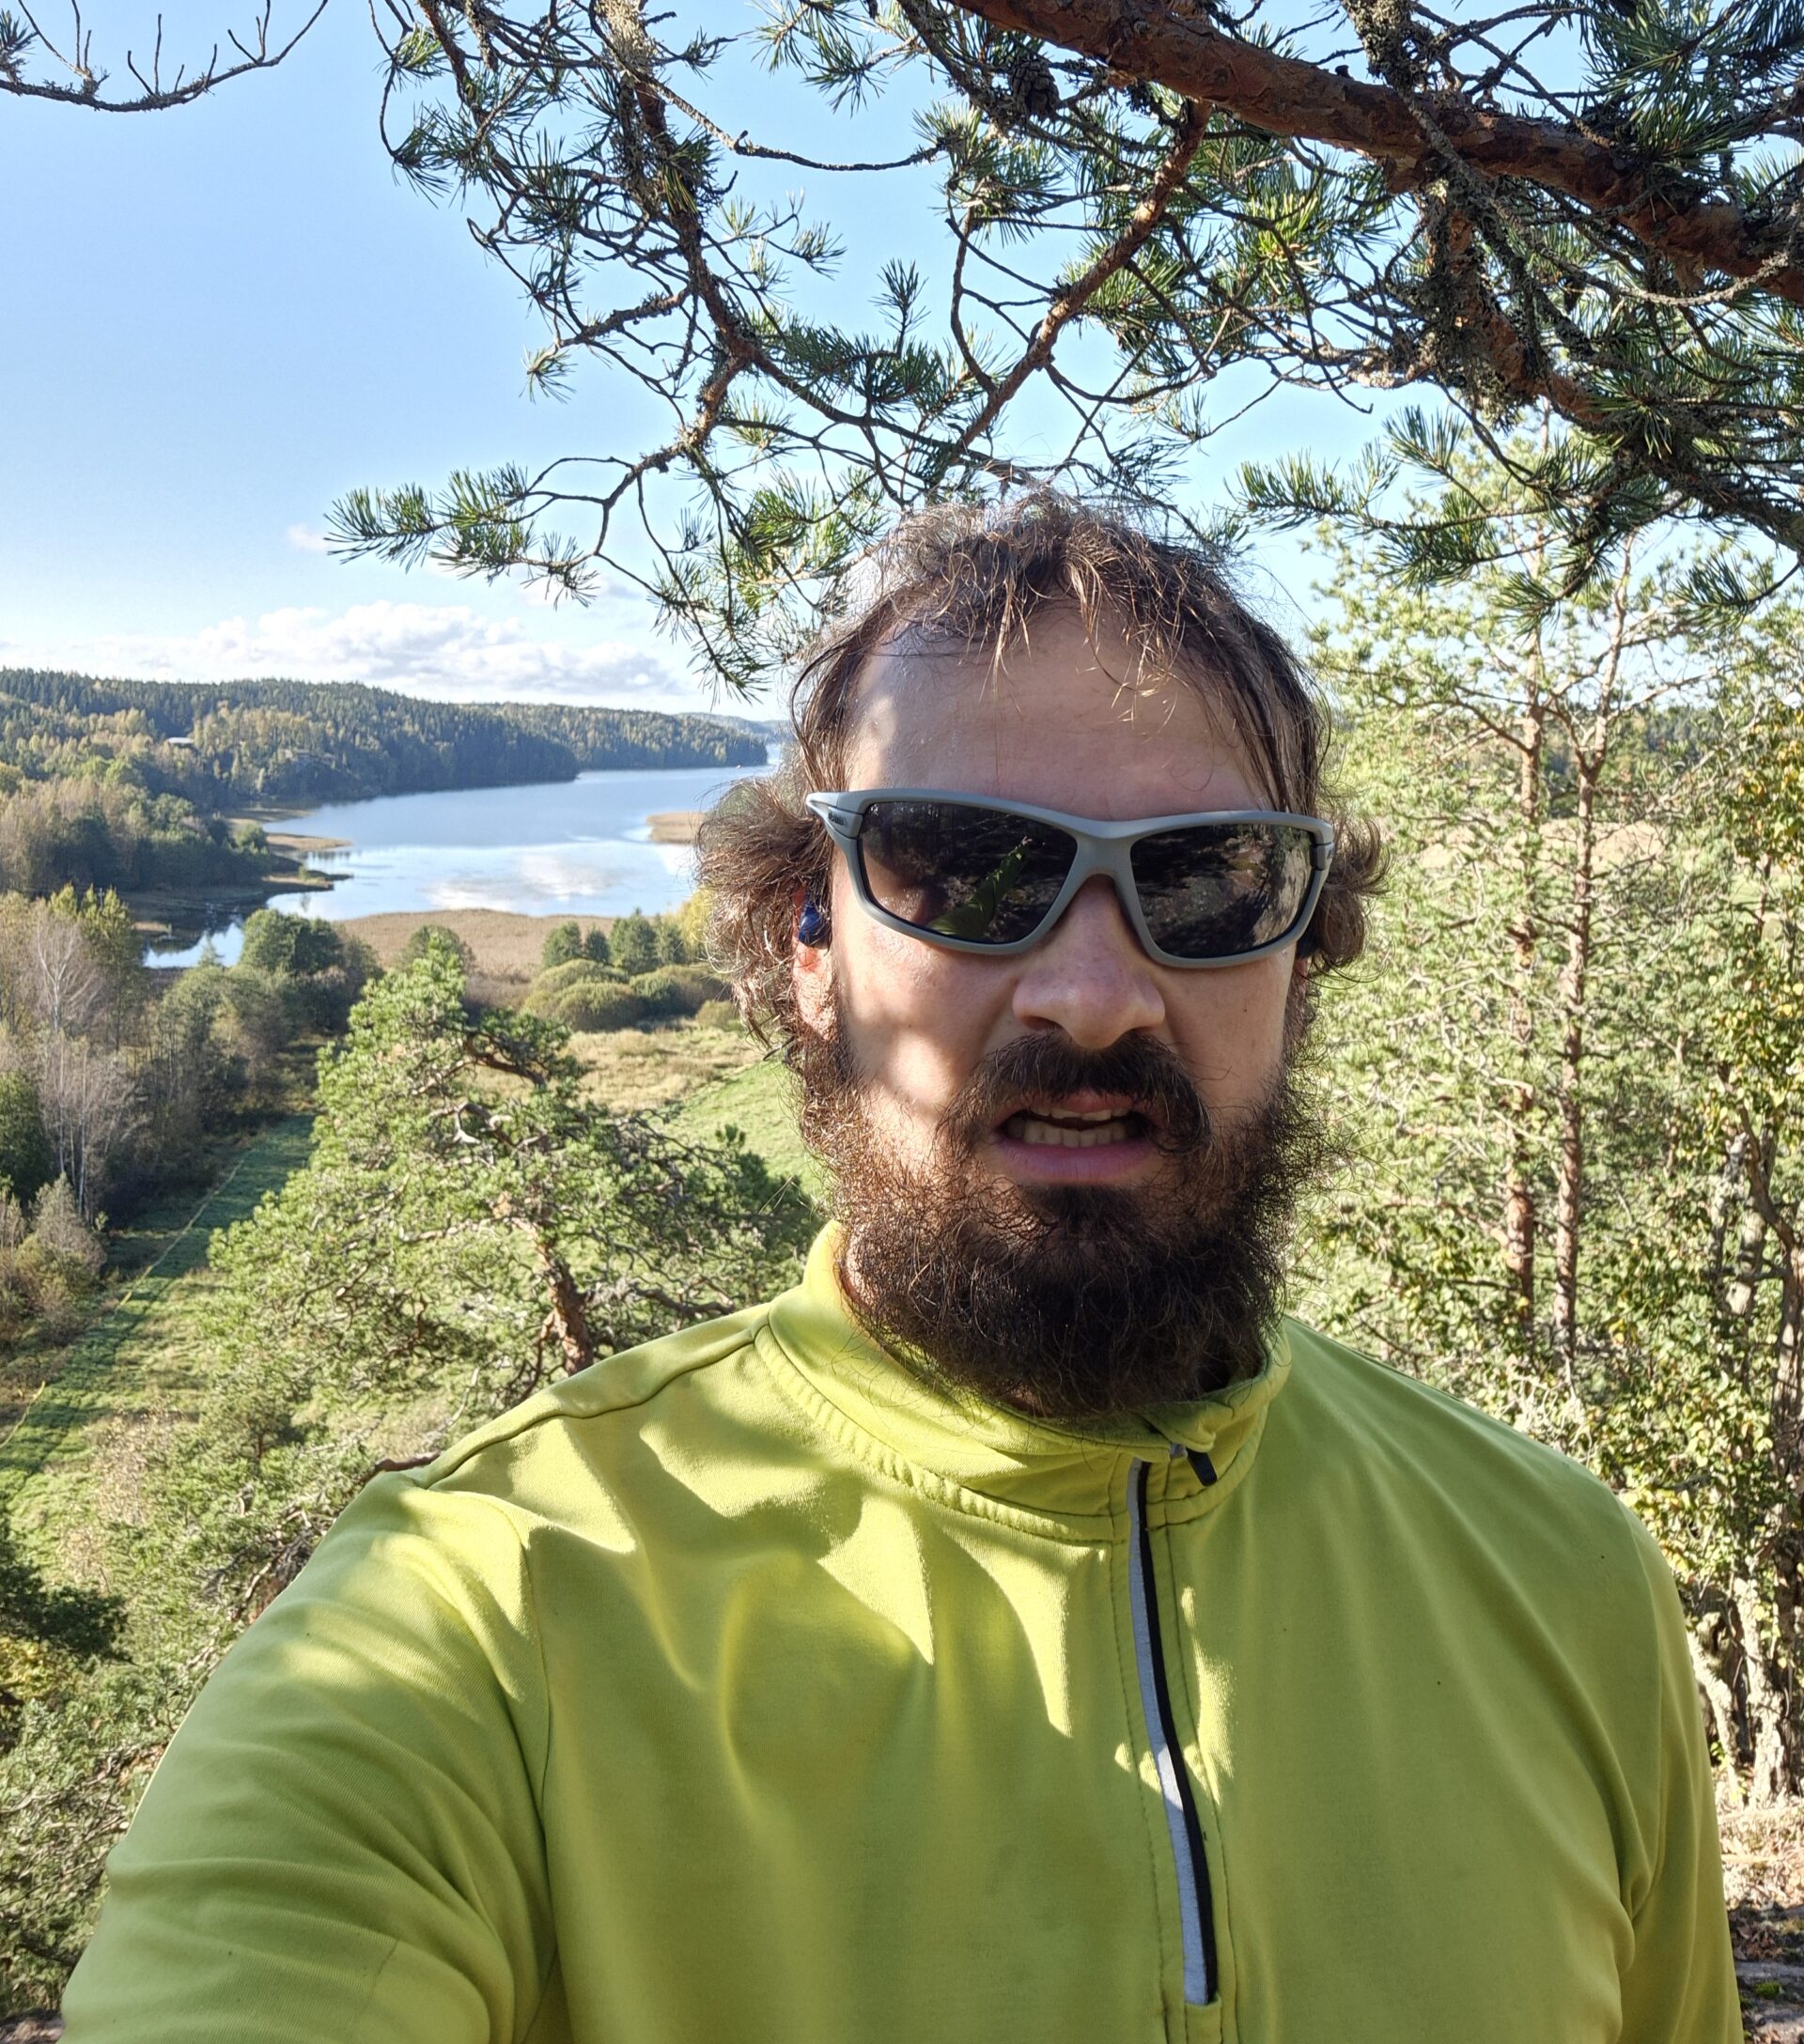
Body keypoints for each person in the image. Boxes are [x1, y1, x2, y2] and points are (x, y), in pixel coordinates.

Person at [62, 494, 1738, 2044]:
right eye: (968, 868)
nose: (1095, 995)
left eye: (1208, 881)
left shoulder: (1561, 1581)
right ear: (810, 941)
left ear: (1304, 954)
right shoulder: (486, 1614)